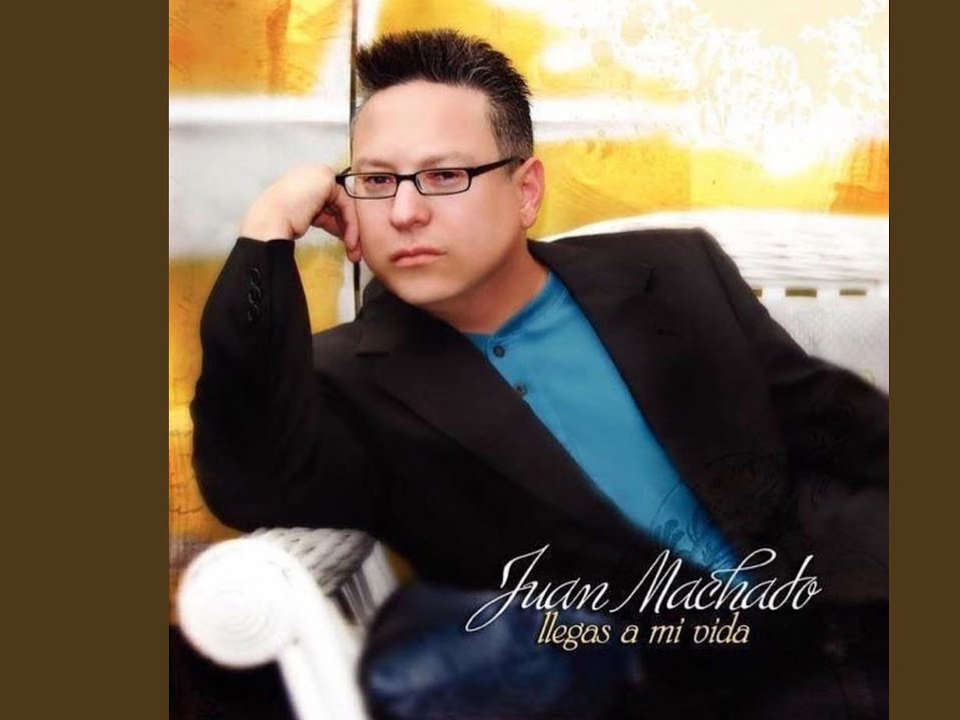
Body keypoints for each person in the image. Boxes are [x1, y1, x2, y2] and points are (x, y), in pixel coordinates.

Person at [192, 29, 888, 719]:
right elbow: (251, 486)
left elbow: (847, 427)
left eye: (444, 176)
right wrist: (266, 234)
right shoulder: (351, 379)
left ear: (525, 192)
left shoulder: (671, 272)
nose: (404, 212)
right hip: (675, 688)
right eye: (377, 182)